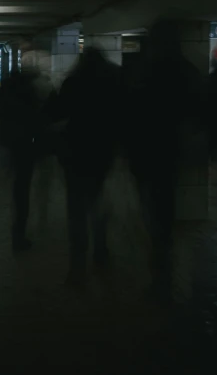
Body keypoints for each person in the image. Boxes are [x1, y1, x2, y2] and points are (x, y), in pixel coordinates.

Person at [124, 19, 206, 304]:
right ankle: (163, 273)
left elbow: (131, 114)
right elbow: (198, 113)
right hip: (169, 154)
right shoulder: (186, 71)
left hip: (146, 154)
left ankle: (160, 275)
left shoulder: (145, 72)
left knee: (153, 214)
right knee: (163, 213)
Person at [52, 47, 122, 286]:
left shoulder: (74, 81)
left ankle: (78, 262)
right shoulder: (114, 79)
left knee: (76, 208)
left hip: (76, 151)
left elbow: (59, 113)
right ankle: (101, 249)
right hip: (103, 150)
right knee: (98, 198)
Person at [0, 54, 54, 251]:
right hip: (27, 145)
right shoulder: (32, 89)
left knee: (17, 187)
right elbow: (38, 117)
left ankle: (16, 231)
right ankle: (20, 232)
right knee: (23, 188)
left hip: (10, 142)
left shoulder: (8, 85)